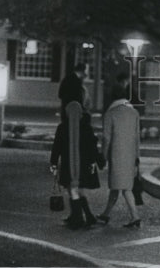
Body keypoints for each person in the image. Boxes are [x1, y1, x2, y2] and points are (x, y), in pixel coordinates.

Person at [50, 100, 104, 229]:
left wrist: (53, 162)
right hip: (83, 166)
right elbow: (92, 147)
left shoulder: (63, 127)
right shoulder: (86, 127)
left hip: (69, 165)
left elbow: (56, 147)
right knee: (78, 190)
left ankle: (78, 218)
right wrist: (97, 161)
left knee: (73, 190)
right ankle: (87, 216)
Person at [97, 77, 141, 228]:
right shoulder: (134, 113)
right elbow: (137, 138)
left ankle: (135, 216)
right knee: (118, 187)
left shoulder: (110, 114)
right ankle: (105, 214)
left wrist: (102, 156)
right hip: (130, 156)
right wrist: (137, 157)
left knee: (123, 188)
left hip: (116, 155)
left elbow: (106, 138)